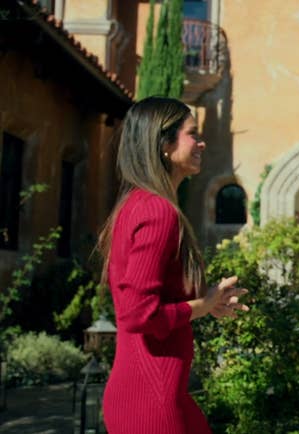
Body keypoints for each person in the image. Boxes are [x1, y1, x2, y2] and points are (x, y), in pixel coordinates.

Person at [97, 97, 249, 434]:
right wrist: (202, 304)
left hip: (155, 394)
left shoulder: (138, 204)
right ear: (165, 144)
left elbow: (152, 301)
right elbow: (137, 314)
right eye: (193, 134)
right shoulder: (157, 211)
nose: (201, 143)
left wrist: (208, 302)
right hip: (151, 403)